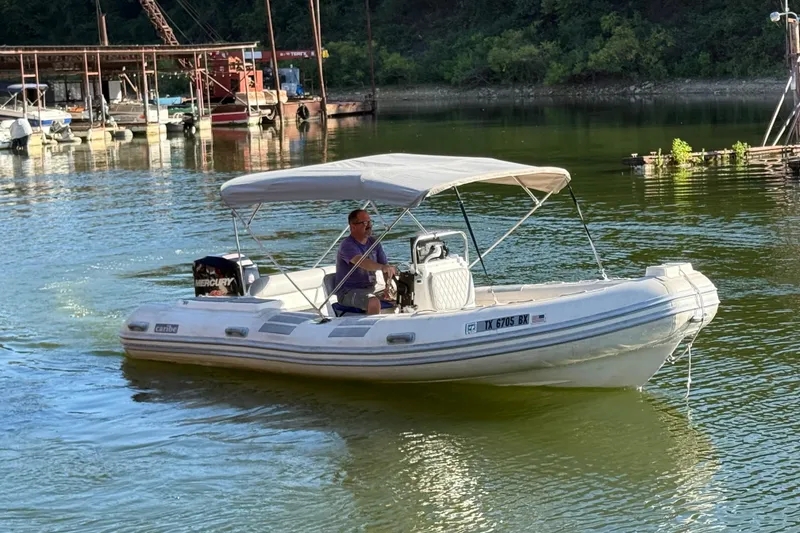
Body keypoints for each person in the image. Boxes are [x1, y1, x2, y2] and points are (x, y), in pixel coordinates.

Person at [335, 209, 397, 315]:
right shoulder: (347, 245)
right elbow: (363, 262)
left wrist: (388, 287)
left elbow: (385, 266)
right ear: (353, 226)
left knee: (401, 297)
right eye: (364, 223)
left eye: (370, 222)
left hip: (370, 288)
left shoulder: (374, 242)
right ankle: (374, 330)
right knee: (373, 302)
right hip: (348, 292)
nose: (369, 225)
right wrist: (382, 267)